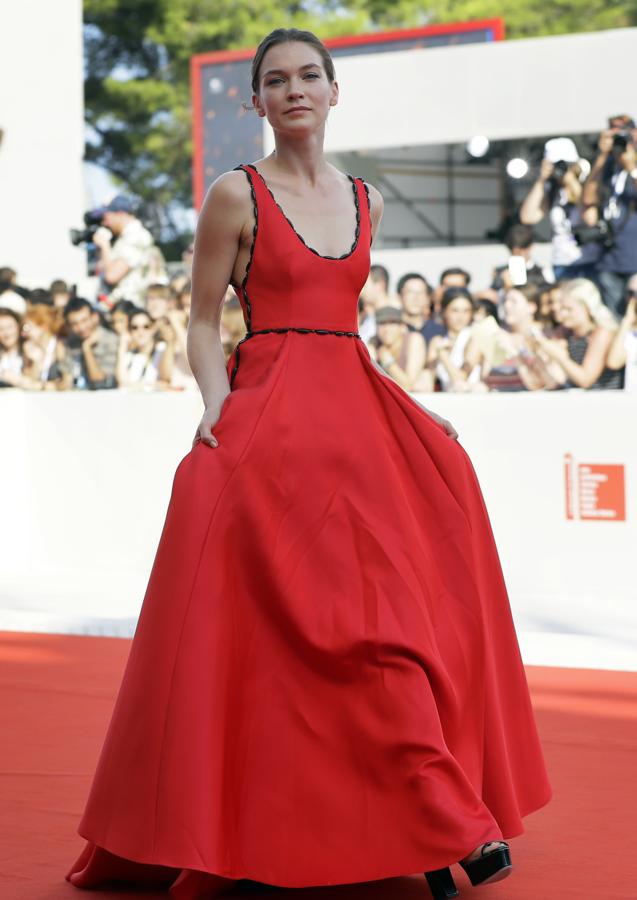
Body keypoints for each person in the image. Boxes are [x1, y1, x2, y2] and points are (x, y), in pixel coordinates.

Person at [65, 28, 551, 900]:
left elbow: (346, 331)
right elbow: (204, 322)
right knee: (317, 634)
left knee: (397, 629)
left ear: (333, 92)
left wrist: (412, 406)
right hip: (271, 424)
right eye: (275, 81)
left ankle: (437, 819)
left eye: (308, 77)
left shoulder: (364, 197)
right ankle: (427, 825)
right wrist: (215, 405)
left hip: (356, 421)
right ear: (254, 102)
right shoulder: (232, 194)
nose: (293, 91)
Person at [519, 137, 600, 282]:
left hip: (588, 261)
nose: (561, 169)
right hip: (561, 262)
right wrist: (542, 180)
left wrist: (571, 181)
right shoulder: (551, 189)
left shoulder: (586, 184)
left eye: (565, 164)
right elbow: (527, 217)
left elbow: (589, 217)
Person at [583, 115, 637, 319]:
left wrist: (631, 166)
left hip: (634, 258)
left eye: (623, 132)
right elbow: (588, 199)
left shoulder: (632, 162)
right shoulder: (607, 166)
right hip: (609, 259)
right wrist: (601, 156)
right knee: (613, 320)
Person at [533, 278, 621, 389]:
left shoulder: (601, 333)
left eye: (569, 309)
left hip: (603, 400)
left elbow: (586, 380)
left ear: (587, 308)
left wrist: (560, 356)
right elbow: (554, 383)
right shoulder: (565, 333)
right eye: (562, 308)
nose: (562, 313)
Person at [92, 194, 167, 307]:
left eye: (107, 217)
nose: (105, 223)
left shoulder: (136, 236)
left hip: (133, 309)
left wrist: (104, 245)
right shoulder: (126, 237)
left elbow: (112, 275)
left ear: (121, 214)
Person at [426, 287, 481, 391]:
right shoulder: (437, 341)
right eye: (455, 310)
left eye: (466, 311)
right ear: (444, 312)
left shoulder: (474, 338)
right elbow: (429, 380)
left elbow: (460, 379)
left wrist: (442, 354)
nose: (461, 317)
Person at [58, 297, 119, 390]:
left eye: (84, 320)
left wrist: (87, 349)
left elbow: (99, 381)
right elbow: (66, 381)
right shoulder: (71, 343)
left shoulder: (110, 341)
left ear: (95, 317)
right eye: (75, 324)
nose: (81, 328)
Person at [366, 305, 430, 391]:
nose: (386, 329)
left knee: (426, 377)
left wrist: (388, 362)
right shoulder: (373, 344)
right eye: (382, 323)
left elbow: (408, 386)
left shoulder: (413, 340)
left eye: (392, 323)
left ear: (402, 326)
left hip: (414, 399)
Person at [606, 274, 637, 389]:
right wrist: (627, 321)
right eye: (631, 293)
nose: (634, 299)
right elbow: (614, 362)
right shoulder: (625, 331)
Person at [398, 272, 445, 346]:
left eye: (420, 293)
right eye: (410, 292)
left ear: (427, 298)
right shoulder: (391, 329)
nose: (416, 298)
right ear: (400, 297)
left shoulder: (438, 331)